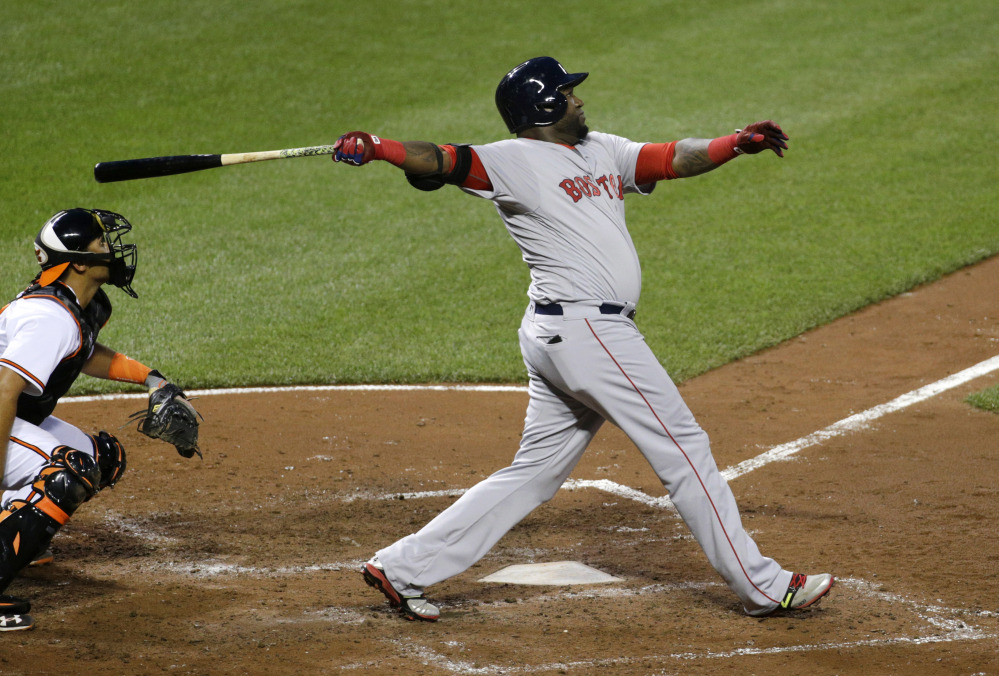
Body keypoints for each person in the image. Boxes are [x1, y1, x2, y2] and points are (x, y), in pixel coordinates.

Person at [333, 56, 833, 622]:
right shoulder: (511, 161)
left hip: (562, 334)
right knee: (685, 448)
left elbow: (670, 158)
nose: (579, 100)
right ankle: (762, 586)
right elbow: (439, 161)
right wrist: (379, 147)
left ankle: (401, 569)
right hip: (590, 333)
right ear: (544, 104)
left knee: (535, 472)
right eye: (568, 93)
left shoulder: (602, 150)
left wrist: (735, 143)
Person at [0, 208, 199, 631]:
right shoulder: (48, 318)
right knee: (66, 474)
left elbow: (85, 351)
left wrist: (150, 378)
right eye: (102, 245)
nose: (113, 251)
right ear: (78, 262)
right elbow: (3, 390)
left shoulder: (78, 306)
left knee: (100, 457)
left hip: (9, 412)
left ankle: (13, 529)